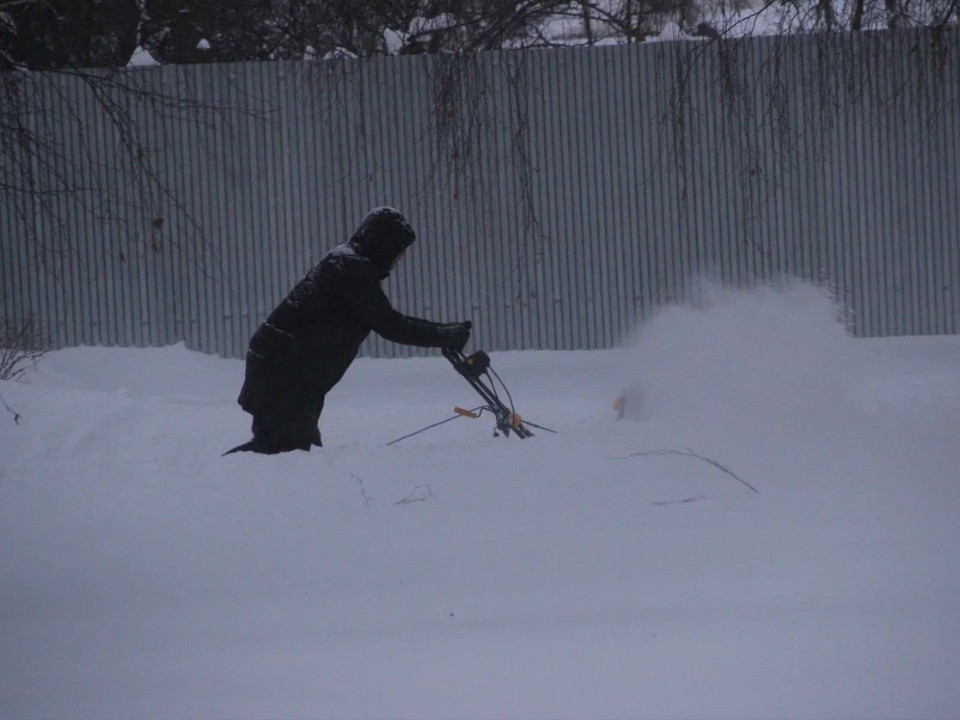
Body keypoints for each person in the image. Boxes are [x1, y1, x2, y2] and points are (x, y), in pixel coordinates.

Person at [225, 207, 471, 454]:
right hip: (283, 371)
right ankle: (224, 480)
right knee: (287, 451)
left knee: (288, 449)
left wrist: (444, 330)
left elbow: (388, 319)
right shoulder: (350, 270)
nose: (401, 258)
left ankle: (234, 479)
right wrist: (443, 335)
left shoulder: (347, 264)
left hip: (286, 367)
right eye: (399, 250)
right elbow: (390, 325)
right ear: (384, 244)